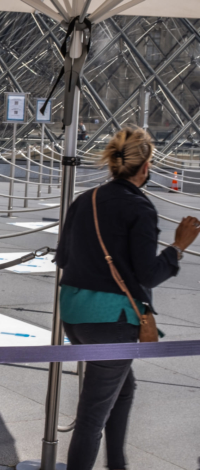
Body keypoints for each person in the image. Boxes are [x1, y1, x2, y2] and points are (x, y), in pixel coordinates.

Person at [56, 127, 200, 470]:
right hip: (113, 322)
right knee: (92, 417)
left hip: (75, 316)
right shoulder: (140, 208)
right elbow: (149, 274)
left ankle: (117, 465)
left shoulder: (85, 199)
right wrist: (178, 246)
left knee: (123, 388)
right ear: (146, 166)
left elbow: (62, 258)